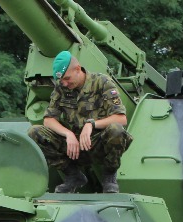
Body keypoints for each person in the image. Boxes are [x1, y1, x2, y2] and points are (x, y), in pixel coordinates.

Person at [27, 51, 132, 194]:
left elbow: (121, 118)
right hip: (74, 147)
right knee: (34, 132)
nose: (64, 83)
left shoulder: (102, 82)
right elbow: (48, 119)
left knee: (116, 130)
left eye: (67, 78)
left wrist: (91, 124)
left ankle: (109, 176)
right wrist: (68, 134)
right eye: (61, 80)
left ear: (78, 69)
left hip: (97, 143)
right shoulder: (62, 88)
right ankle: (73, 175)